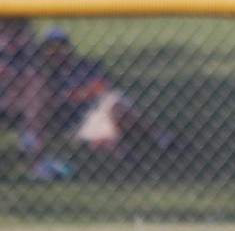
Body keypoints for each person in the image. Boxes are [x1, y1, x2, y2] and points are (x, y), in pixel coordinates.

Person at [37, 27, 180, 161]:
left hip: (100, 106)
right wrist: (82, 93)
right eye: (51, 48)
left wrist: (75, 95)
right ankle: (133, 160)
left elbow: (101, 86)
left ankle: (164, 140)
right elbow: (56, 102)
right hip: (79, 121)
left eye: (61, 46)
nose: (57, 52)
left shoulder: (85, 65)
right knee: (108, 143)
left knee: (117, 105)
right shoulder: (45, 75)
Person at [0, 18, 69, 181]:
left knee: (37, 86)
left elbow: (32, 69)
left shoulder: (23, 37)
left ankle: (33, 150)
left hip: (16, 94)